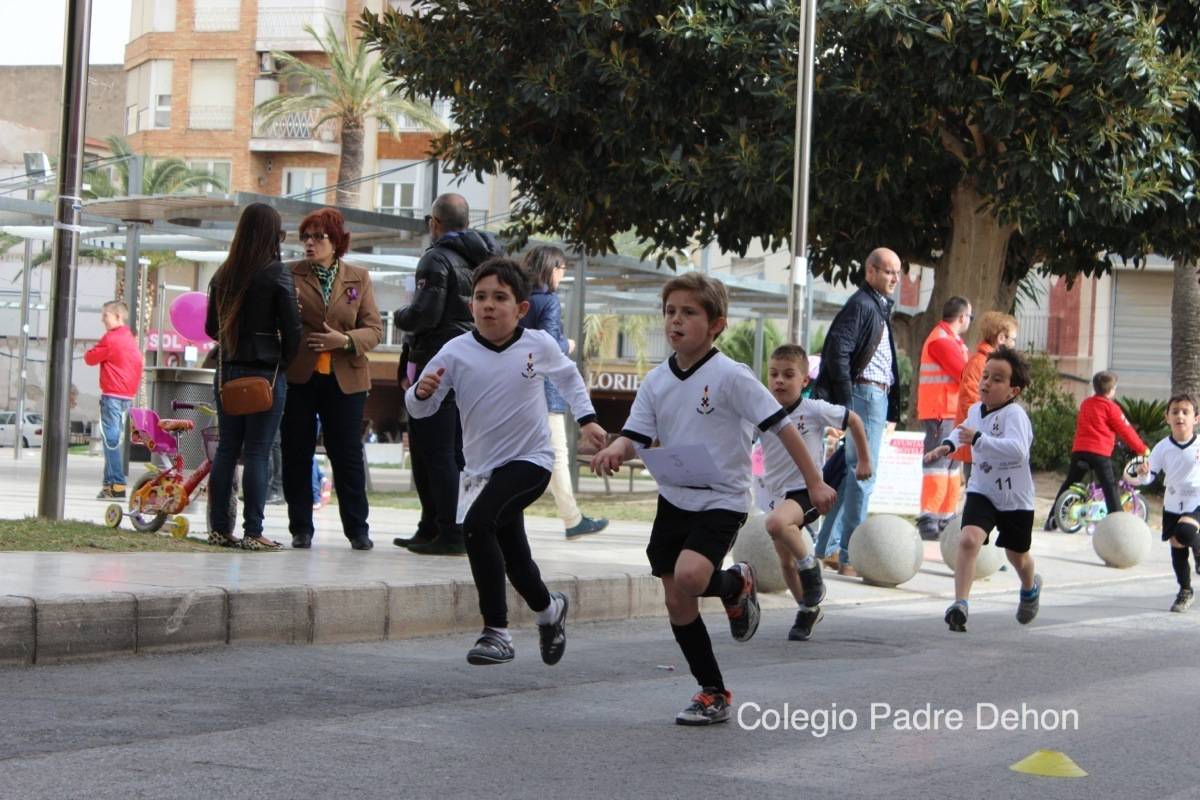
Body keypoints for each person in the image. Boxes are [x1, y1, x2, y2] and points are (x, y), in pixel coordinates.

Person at [591, 273, 836, 726]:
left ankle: (731, 584)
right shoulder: (657, 380)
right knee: (677, 600)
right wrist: (614, 449)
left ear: (716, 324)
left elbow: (782, 427)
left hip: (723, 498)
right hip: (674, 496)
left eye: (689, 312)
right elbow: (636, 435)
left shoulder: (731, 377)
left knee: (689, 575)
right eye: (670, 312)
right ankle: (712, 689)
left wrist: (815, 482)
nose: (676, 321)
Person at [407, 258, 607, 665]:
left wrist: (587, 420)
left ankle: (495, 632)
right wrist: (422, 393)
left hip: (531, 461)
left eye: (500, 297)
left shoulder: (537, 344)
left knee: (479, 526)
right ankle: (550, 610)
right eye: (481, 297)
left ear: (521, 309)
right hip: (482, 471)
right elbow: (419, 410)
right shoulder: (455, 351)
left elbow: (568, 377)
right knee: (515, 558)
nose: (489, 305)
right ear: (471, 306)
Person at [393, 193, 502, 555]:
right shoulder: (485, 259)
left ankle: (448, 531)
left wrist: (399, 316)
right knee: (453, 451)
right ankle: (432, 526)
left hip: (435, 362)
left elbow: (425, 314)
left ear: (434, 223)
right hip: (471, 361)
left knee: (433, 452)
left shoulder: (436, 257)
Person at [281, 207, 383, 550]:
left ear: (336, 241)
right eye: (306, 237)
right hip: (300, 376)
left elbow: (374, 329)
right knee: (297, 451)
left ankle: (358, 529)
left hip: (346, 378)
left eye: (318, 237)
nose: (310, 244)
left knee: (347, 454)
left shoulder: (359, 277)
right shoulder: (289, 274)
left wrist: (344, 341)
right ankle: (301, 528)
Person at [204, 202, 302, 550]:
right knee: (258, 452)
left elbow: (210, 328)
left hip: (228, 372)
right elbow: (294, 332)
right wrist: (282, 362)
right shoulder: (276, 273)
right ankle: (253, 532)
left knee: (228, 449)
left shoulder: (222, 274)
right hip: (266, 375)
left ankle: (218, 529)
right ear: (273, 234)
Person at [924, 347, 1041, 633]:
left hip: (1015, 497)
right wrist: (948, 445)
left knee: (1017, 555)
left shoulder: (1016, 415)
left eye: (997, 379)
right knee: (968, 539)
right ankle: (960, 604)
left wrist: (979, 439)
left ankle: (1030, 586)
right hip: (983, 490)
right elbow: (962, 430)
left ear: (1013, 391)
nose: (987, 382)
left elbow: (1018, 452)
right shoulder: (976, 410)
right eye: (986, 376)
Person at [761, 344, 872, 641]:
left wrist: (863, 459)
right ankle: (807, 608)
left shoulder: (813, 409)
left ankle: (811, 569)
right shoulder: (761, 410)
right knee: (784, 560)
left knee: (775, 524)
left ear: (804, 381)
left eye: (788, 375)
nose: (779, 381)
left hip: (806, 490)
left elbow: (854, 420)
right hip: (775, 494)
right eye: (773, 374)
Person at [809, 247, 902, 576]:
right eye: (888, 271)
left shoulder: (875, 306)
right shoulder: (863, 304)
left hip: (872, 396)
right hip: (866, 395)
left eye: (897, 273)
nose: (894, 278)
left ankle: (829, 548)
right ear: (871, 271)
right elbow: (838, 350)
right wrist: (847, 404)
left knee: (853, 474)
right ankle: (849, 555)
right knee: (864, 475)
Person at [518, 245, 608, 538]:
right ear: (551, 268)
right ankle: (572, 519)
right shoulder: (548, 301)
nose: (562, 275)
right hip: (546, 389)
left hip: (520, 385)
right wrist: (566, 345)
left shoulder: (518, 299)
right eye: (562, 269)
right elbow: (546, 345)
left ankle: (571, 518)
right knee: (557, 455)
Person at [1045, 370, 1150, 530]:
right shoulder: (1111, 407)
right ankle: (1119, 525)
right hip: (1099, 453)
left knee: (1070, 482)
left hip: (1079, 451)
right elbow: (1126, 430)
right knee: (1109, 486)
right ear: (1112, 390)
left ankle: (1052, 519)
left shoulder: (1086, 403)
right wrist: (1142, 449)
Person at [1136, 395, 1200, 613]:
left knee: (1186, 531)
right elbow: (1150, 475)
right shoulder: (1162, 447)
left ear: (1196, 418)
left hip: (1197, 501)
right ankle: (1185, 590)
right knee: (1177, 545)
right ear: (1167, 418)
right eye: (1175, 412)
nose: (1179, 415)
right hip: (1172, 502)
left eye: (1185, 412)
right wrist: (1143, 474)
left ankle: (1199, 551)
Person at [916, 296, 972, 540]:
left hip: (950, 412)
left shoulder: (951, 340)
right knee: (938, 465)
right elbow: (963, 373)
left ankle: (946, 515)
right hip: (941, 412)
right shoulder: (942, 340)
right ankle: (930, 516)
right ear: (962, 317)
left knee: (951, 466)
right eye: (970, 316)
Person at [85, 300, 144, 499]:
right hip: (127, 396)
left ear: (118, 316)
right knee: (112, 438)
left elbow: (89, 358)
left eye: (105, 315)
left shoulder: (110, 339)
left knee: (110, 441)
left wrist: (94, 349)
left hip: (112, 395)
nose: (102, 319)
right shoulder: (130, 338)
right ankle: (108, 485)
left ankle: (117, 483)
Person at [951, 311, 1018, 482]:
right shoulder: (981, 363)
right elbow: (971, 402)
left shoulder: (986, 362)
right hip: (977, 444)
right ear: (1001, 338)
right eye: (1012, 339)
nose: (1013, 344)